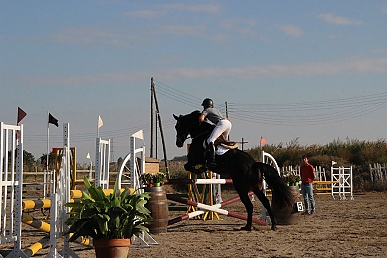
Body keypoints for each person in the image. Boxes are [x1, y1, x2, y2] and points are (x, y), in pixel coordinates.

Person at [199, 98, 232, 169]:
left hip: (222, 123)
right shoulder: (215, 110)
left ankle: (212, 161)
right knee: (222, 142)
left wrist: (201, 120)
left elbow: (201, 119)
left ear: (205, 105)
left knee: (210, 140)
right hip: (228, 123)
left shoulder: (206, 110)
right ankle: (224, 158)